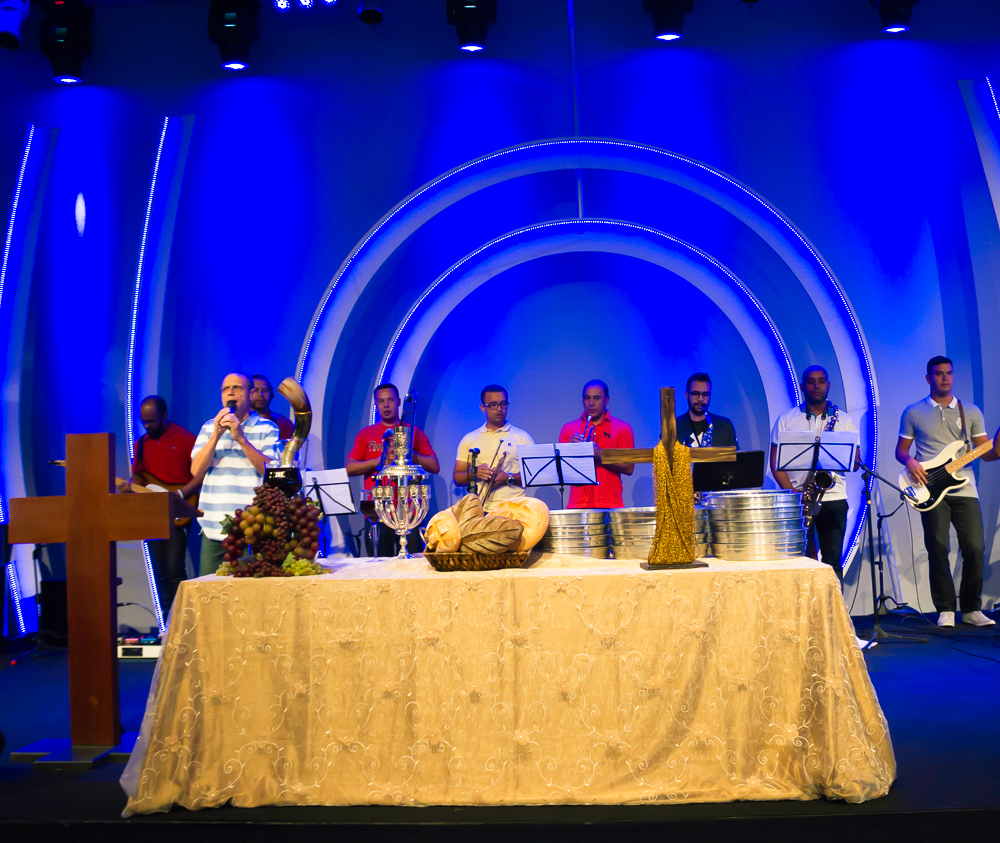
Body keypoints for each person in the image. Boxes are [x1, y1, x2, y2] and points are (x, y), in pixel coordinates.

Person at [896, 356, 1000, 628]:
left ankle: (971, 609)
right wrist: (910, 462)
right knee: (938, 547)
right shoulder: (913, 412)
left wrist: (997, 450)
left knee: (975, 548)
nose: (945, 378)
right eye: (939, 373)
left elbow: (986, 452)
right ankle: (945, 609)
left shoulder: (971, 412)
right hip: (928, 486)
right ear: (928, 378)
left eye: (949, 373)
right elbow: (901, 450)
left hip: (964, 486)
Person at [770, 366, 857, 578]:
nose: (816, 385)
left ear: (828, 386)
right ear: (801, 386)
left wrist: (847, 455)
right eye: (810, 381)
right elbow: (775, 464)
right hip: (800, 498)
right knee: (801, 564)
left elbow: (855, 463)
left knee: (833, 563)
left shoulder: (844, 420)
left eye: (820, 381)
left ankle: (833, 611)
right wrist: (792, 492)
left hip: (834, 498)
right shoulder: (786, 419)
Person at [190, 373, 281, 576]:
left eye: (237, 388)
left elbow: (272, 473)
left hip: (252, 528)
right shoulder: (208, 428)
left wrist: (240, 438)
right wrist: (215, 435)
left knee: (252, 596)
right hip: (214, 528)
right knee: (209, 595)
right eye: (225, 389)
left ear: (250, 394)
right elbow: (195, 470)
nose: (230, 392)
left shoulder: (267, 428)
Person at [346, 383, 440, 557]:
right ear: (376, 404)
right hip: (379, 510)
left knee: (414, 566)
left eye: (390, 400)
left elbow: (434, 466)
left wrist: (408, 454)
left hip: (410, 510)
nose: (386, 405)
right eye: (381, 401)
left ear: (398, 402)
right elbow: (350, 468)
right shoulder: (366, 434)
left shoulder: (413, 432)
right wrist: (379, 460)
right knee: (380, 564)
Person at [129, 395, 200, 613]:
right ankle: (169, 623)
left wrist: (180, 493)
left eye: (152, 421)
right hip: (153, 512)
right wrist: (128, 485)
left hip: (179, 509)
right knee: (160, 573)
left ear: (165, 416)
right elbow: (139, 476)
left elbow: (201, 474)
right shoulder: (141, 444)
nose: (147, 426)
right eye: (144, 421)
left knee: (174, 570)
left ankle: (185, 620)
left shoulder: (186, 438)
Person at [453, 385, 535, 511]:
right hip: (481, 510)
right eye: (493, 404)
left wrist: (508, 478)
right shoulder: (469, 439)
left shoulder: (522, 437)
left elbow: (534, 476)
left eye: (503, 404)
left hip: (515, 509)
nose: (499, 409)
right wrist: (475, 473)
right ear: (483, 408)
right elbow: (458, 478)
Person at [558, 379, 635, 509]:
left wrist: (601, 455)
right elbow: (561, 472)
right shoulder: (568, 429)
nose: (591, 403)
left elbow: (628, 468)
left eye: (597, 398)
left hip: (610, 504)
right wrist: (568, 451)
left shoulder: (622, 428)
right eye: (587, 398)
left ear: (607, 400)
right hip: (577, 504)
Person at [675, 372, 739, 448]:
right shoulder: (673, 426)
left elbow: (737, 458)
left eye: (705, 394)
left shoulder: (725, 425)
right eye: (695, 393)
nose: (700, 399)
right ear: (686, 395)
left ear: (710, 396)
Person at [250, 374, 295, 439]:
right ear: (247, 394)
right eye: (256, 390)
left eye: (265, 390)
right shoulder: (236, 422)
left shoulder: (283, 423)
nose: (261, 394)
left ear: (271, 394)